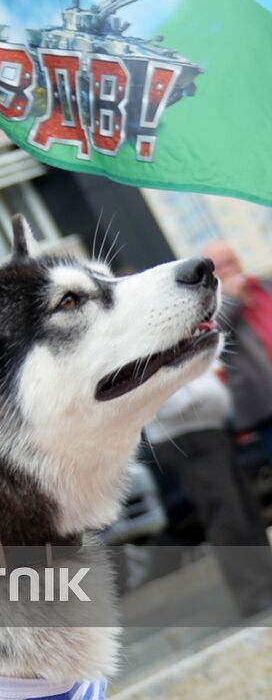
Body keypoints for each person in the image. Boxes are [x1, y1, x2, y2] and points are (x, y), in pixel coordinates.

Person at [145, 363, 272, 617]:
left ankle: (264, 587)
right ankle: (256, 595)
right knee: (226, 515)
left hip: (207, 425)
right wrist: (192, 401)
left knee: (244, 511)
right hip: (185, 432)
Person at [203, 240, 272, 459]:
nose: (229, 270)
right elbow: (214, 333)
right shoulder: (212, 306)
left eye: (231, 262)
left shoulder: (262, 286)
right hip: (264, 402)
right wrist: (232, 297)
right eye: (220, 267)